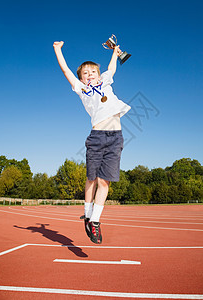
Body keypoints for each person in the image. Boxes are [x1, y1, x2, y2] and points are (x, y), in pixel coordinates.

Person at [53, 41, 131, 244]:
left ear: (98, 74)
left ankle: (94, 221)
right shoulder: (80, 88)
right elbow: (66, 70)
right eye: (85, 73)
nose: (90, 75)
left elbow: (111, 68)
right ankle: (87, 214)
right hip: (97, 137)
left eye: (93, 72)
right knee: (92, 178)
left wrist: (115, 53)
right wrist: (58, 49)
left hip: (116, 137)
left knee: (105, 181)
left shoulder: (105, 81)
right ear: (81, 78)